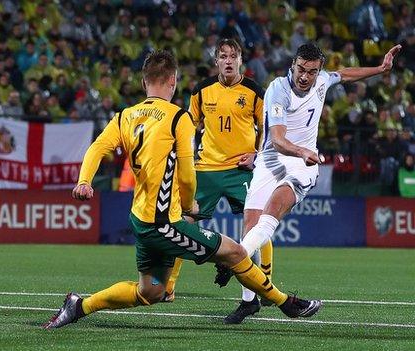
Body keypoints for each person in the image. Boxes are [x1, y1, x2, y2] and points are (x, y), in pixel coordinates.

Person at [43, 50, 321, 330]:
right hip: (165, 223)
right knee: (235, 252)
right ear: (173, 81)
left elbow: (97, 148)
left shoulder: (125, 116)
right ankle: (285, 303)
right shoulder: (178, 118)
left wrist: (84, 181)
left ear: (143, 83)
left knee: (150, 291)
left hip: (141, 219)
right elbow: (187, 175)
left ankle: (78, 306)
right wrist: (190, 205)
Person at [218, 42, 402, 324]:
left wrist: (380, 69)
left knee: (273, 210)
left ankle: (233, 260)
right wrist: (301, 149)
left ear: (319, 71)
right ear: (293, 65)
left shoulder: (323, 81)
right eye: (301, 69)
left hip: (302, 166)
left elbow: (345, 74)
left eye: (312, 72)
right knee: (251, 227)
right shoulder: (278, 89)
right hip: (273, 158)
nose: (305, 77)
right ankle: (248, 301)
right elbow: (278, 140)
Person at [164, 39, 266, 313]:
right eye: (223, 56)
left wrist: (256, 155)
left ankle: (264, 284)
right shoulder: (201, 90)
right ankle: (168, 287)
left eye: (233, 56)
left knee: (258, 223)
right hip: (206, 169)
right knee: (182, 223)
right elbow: (188, 126)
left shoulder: (255, 91)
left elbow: (266, 128)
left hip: (239, 170)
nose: (228, 60)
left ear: (241, 60)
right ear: (217, 61)